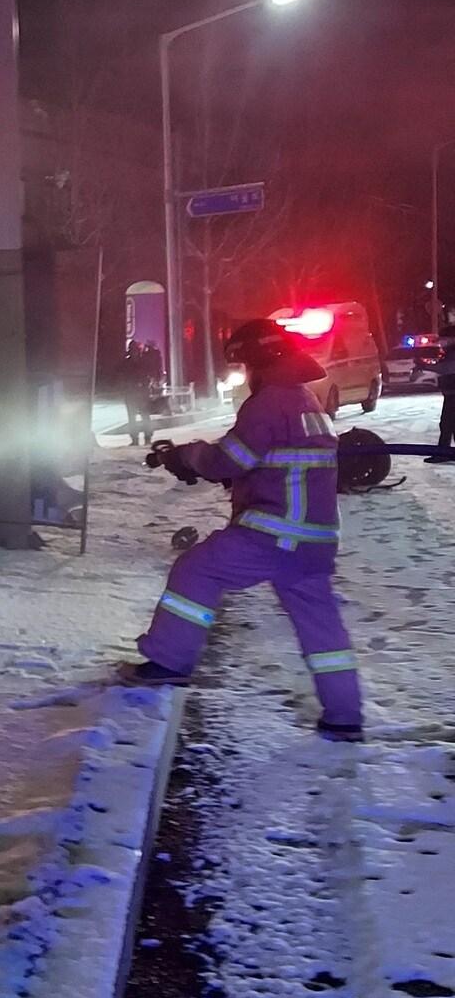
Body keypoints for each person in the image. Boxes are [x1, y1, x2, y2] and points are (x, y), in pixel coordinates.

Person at [123, 316, 363, 739]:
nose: (244, 374)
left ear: (258, 361)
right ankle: (344, 717)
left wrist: (188, 457)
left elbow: (228, 459)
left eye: (244, 364)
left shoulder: (269, 402)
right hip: (315, 540)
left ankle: (167, 662)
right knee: (321, 626)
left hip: (274, 533)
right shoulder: (307, 401)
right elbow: (274, 464)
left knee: (196, 569)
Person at [428, 306, 455, 463]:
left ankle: (443, 453)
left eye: (443, 339)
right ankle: (444, 453)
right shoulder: (449, 352)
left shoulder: (453, 352)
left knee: (446, 424)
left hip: (453, 394)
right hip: (450, 393)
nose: (441, 342)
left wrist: (425, 366)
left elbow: (447, 368)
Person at [121, 339, 157, 447]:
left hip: (141, 392)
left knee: (144, 415)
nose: (134, 353)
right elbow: (122, 377)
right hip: (132, 393)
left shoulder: (143, 362)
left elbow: (148, 375)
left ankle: (147, 437)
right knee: (133, 417)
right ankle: (135, 439)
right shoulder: (127, 363)